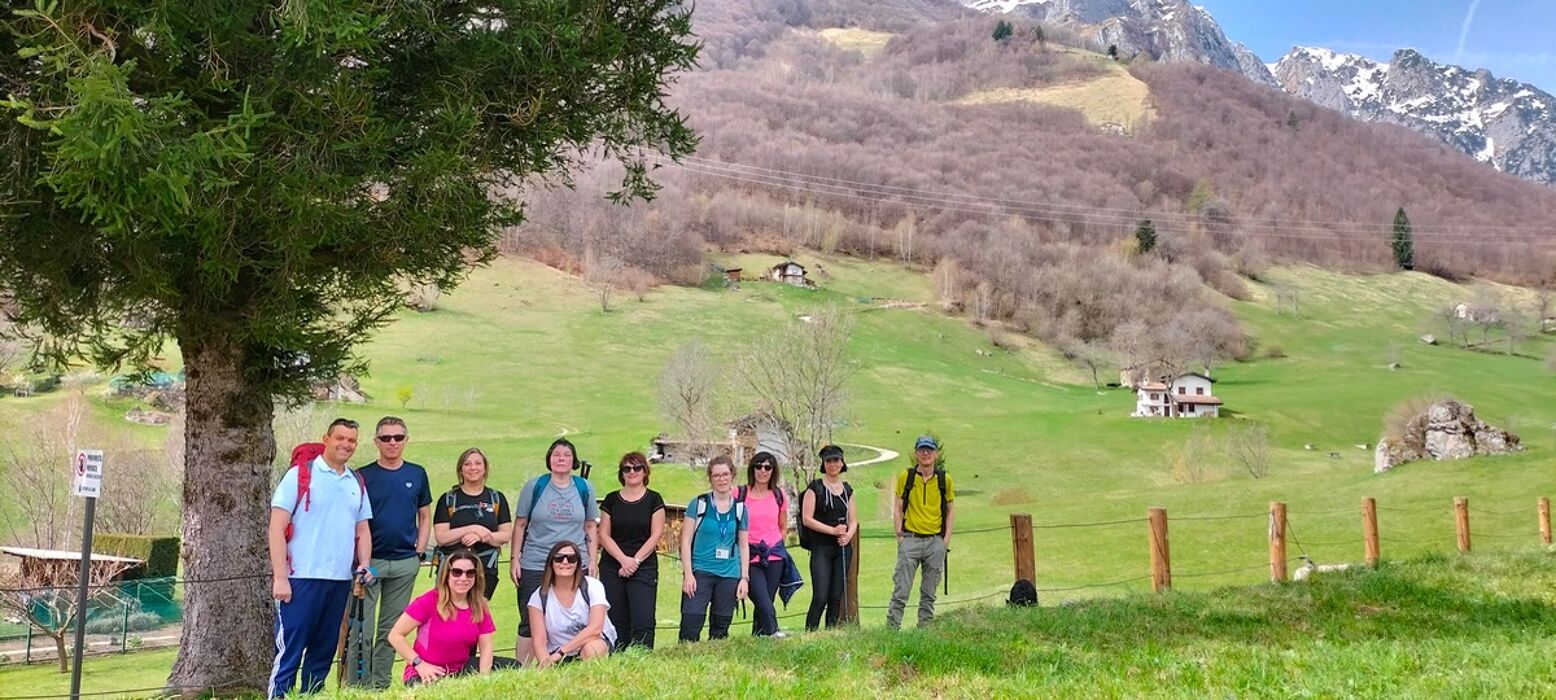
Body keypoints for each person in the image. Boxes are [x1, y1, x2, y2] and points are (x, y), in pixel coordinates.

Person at [267, 418, 374, 697]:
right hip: (300, 579)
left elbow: (362, 529)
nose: (346, 445)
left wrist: (364, 564)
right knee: (288, 655)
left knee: (322, 656)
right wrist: (280, 578)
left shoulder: (356, 481)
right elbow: (276, 527)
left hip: (339, 581)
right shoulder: (300, 475)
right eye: (340, 438)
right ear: (326, 438)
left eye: (351, 440)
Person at [348, 416, 432, 689]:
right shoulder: (362, 475)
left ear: (406, 440)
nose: (392, 442)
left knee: (391, 630)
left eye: (398, 437)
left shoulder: (417, 474)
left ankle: (381, 685)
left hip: (405, 563)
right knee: (362, 629)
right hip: (369, 563)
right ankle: (359, 687)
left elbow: (424, 515)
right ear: (376, 442)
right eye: (386, 438)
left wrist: (419, 552)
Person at [511, 438, 599, 663]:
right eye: (556, 454)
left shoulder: (584, 488)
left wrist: (593, 561)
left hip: (574, 562)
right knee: (530, 619)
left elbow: (590, 525)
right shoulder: (535, 486)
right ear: (549, 459)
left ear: (574, 461)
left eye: (567, 455)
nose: (561, 459)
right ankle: (524, 670)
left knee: (578, 616)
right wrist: (515, 560)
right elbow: (520, 524)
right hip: (536, 561)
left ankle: (571, 662)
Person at [387, 549, 516, 686]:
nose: (463, 578)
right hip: (426, 671)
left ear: (476, 576)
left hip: (460, 669)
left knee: (514, 666)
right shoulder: (429, 601)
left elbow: (486, 647)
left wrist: (483, 681)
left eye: (470, 573)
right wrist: (419, 664)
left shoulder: (479, 605)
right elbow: (395, 635)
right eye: (457, 572)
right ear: (447, 575)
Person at [597, 452, 665, 650]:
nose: (632, 472)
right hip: (613, 566)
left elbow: (656, 534)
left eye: (637, 468)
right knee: (616, 618)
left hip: (643, 566)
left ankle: (642, 660)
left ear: (645, 472)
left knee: (643, 618)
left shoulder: (654, 499)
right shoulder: (611, 500)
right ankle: (617, 659)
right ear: (621, 473)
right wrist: (623, 560)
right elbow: (604, 534)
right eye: (627, 469)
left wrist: (634, 561)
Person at [887, 435, 956, 630]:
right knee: (901, 589)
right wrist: (900, 536)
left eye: (929, 450)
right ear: (916, 453)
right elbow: (898, 507)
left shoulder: (945, 480)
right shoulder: (906, 477)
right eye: (922, 450)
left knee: (929, 592)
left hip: (935, 542)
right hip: (911, 539)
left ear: (936, 454)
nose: (926, 453)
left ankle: (924, 630)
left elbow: (951, 510)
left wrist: (946, 540)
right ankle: (892, 630)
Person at [679, 455, 749, 642]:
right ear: (710, 478)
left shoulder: (741, 509)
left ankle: (716, 667)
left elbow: (743, 545)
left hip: (729, 574)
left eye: (725, 474)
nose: (721, 479)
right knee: (690, 624)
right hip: (700, 572)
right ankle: (684, 664)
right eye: (716, 475)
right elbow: (685, 541)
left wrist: (744, 578)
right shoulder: (699, 504)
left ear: (732, 475)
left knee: (720, 628)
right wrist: (688, 574)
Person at [433, 448, 512, 599]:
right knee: (448, 612)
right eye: (467, 464)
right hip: (453, 570)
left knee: (477, 613)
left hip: (485, 568)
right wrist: (473, 529)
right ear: (460, 470)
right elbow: (442, 537)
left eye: (477, 463)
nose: (473, 468)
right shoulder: (448, 499)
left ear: (485, 469)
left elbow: (506, 534)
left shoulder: (496, 498)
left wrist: (483, 537)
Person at [527, 540, 616, 667]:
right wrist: (545, 662)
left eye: (571, 558)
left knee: (592, 650)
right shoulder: (538, 597)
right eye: (558, 559)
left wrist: (562, 652)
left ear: (578, 563)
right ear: (551, 563)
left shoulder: (593, 586)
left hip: (592, 644)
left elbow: (595, 628)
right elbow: (539, 640)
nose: (565, 562)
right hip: (557, 654)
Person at [801, 444, 858, 631]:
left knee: (835, 596)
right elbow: (807, 519)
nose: (833, 464)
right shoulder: (815, 488)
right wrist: (832, 531)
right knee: (820, 596)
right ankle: (810, 632)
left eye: (836, 460)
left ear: (842, 463)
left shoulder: (847, 490)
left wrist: (848, 535)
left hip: (841, 548)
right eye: (829, 461)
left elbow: (854, 519)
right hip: (821, 548)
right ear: (823, 464)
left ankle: (830, 634)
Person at [739, 451, 791, 637]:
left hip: (774, 556)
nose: (763, 470)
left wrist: (777, 543)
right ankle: (774, 632)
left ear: (773, 471)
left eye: (767, 467)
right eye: (758, 466)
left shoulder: (779, 495)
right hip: (749, 555)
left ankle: (759, 638)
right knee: (761, 598)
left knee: (767, 599)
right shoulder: (740, 494)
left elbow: (783, 525)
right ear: (752, 469)